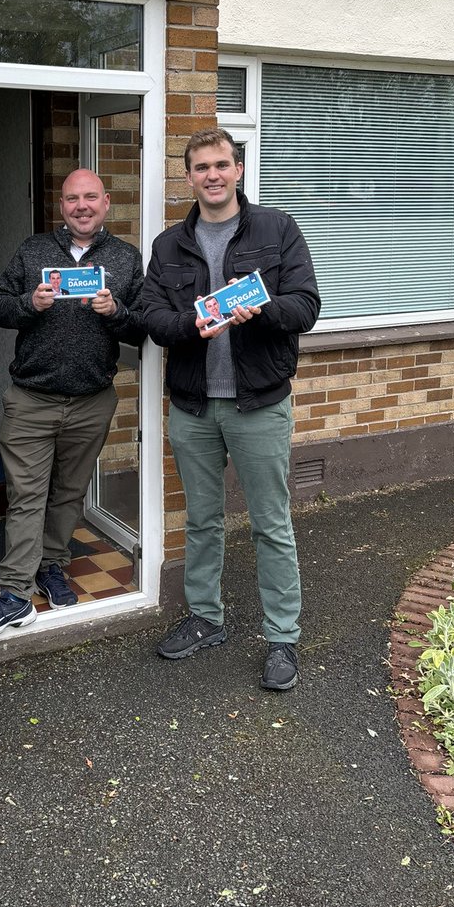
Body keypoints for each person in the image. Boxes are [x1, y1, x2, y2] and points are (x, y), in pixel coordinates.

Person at [142, 128, 320, 691]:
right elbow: (149, 312)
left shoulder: (276, 229)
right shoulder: (169, 244)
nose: (212, 175)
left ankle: (283, 638)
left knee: (271, 524)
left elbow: (306, 305)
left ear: (238, 169)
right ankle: (205, 617)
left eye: (222, 164)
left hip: (258, 404)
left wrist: (260, 312)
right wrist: (187, 326)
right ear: (188, 176)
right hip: (194, 405)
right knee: (201, 520)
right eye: (201, 167)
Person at [0, 169, 146, 639]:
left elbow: (143, 326)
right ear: (61, 206)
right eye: (71, 199)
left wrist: (116, 313)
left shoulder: (126, 258)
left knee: (68, 493)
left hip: (92, 400)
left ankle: (51, 564)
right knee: (26, 496)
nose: (81, 206)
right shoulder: (33, 250)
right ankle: (14, 592)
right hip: (31, 399)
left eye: (90, 197)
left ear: (106, 203)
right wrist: (31, 302)